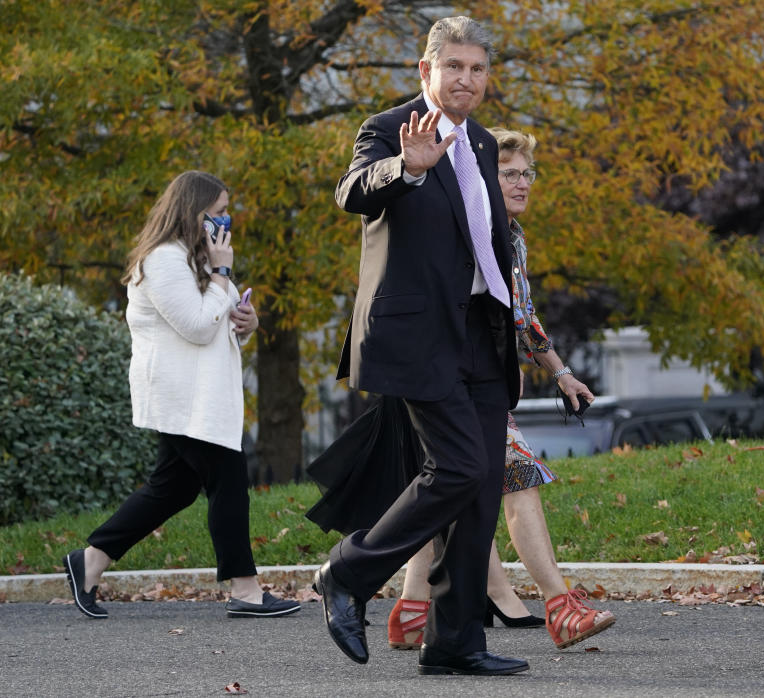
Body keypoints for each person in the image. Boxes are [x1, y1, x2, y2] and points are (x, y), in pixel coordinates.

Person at [317, 16, 528, 676]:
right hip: (418, 335)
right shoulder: (390, 129)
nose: (466, 78)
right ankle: (346, 574)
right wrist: (404, 170)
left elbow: (485, 242)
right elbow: (350, 192)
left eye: (477, 69)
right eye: (454, 67)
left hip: (481, 331)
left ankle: (456, 640)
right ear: (425, 71)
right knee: (460, 468)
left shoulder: (488, 144)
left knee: (482, 489)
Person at [387, 129, 616, 651]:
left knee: (448, 493)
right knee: (517, 480)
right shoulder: (476, 230)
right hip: (450, 381)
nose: (521, 182)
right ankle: (560, 607)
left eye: (527, 174)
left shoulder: (512, 236)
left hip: (476, 385)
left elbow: (522, 314)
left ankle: (410, 612)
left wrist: (559, 372)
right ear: (483, 181)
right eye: (508, 173)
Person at [62, 170, 300, 620]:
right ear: (192, 213)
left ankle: (90, 561)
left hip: (202, 395)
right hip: (184, 397)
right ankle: (246, 590)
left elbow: (216, 321)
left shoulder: (195, 258)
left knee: (171, 489)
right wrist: (223, 271)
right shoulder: (162, 260)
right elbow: (194, 324)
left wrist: (244, 323)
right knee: (228, 481)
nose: (225, 222)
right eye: (218, 213)